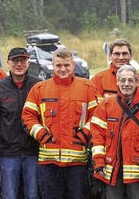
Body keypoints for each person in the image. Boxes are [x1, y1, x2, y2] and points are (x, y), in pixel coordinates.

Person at [22, 47, 101, 199]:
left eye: (66, 65)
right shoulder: (39, 89)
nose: (63, 69)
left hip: (77, 162)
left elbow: (97, 117)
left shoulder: (87, 88)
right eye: (58, 65)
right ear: (53, 65)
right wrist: (41, 135)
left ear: (73, 64)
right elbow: (27, 116)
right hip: (49, 163)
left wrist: (84, 135)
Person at [90, 65, 139, 199]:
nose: (126, 84)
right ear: (117, 82)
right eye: (123, 80)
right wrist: (99, 162)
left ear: (137, 82)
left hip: (138, 171)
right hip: (111, 169)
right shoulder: (106, 104)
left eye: (130, 80)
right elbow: (97, 137)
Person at [0, 47, 42, 199]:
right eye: (15, 61)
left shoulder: (38, 85)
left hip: (33, 152)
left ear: (28, 63)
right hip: (7, 153)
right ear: (8, 63)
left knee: (32, 195)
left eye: (23, 61)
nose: (19, 64)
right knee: (9, 195)